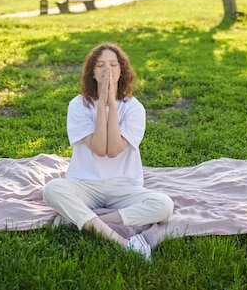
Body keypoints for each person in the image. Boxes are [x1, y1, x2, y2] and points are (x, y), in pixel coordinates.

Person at [43, 43, 174, 260]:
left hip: (123, 186)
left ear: (122, 70)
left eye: (113, 64)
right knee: (52, 189)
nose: (108, 70)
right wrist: (101, 104)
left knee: (164, 206)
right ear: (92, 73)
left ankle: (85, 219)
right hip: (85, 184)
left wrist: (111, 106)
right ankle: (123, 243)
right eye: (101, 65)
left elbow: (113, 151)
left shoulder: (134, 108)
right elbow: (98, 148)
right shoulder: (78, 105)